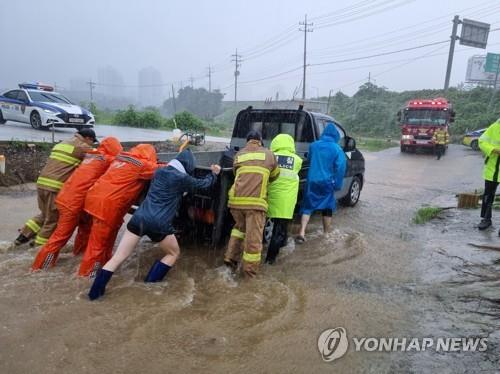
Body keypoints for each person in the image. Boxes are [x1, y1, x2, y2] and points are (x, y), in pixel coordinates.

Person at [88, 149, 221, 300]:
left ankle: (94, 295)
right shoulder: (182, 178)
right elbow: (202, 185)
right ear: (187, 167)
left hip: (138, 219)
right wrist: (214, 174)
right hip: (159, 224)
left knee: (118, 257)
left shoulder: (159, 172)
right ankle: (149, 287)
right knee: (173, 253)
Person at [31, 137, 123, 270]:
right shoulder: (105, 159)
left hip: (67, 198)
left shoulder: (92, 156)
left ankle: (78, 255)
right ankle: (40, 268)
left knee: (84, 229)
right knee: (60, 237)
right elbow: (124, 162)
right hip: (72, 203)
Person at [79, 143, 158, 277]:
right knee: (97, 246)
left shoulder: (121, 158)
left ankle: (102, 266)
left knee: (100, 240)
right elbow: (164, 170)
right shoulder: (141, 165)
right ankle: (87, 277)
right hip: (106, 206)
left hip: (93, 200)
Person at [15, 129, 96, 247]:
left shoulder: (63, 143)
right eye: (92, 142)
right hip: (54, 187)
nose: (91, 144)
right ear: (88, 138)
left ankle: (22, 237)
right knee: (53, 219)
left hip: (41, 183)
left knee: (44, 214)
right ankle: (37, 249)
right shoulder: (81, 146)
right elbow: (100, 155)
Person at [223, 130, 279, 277]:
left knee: (238, 230)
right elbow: (275, 175)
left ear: (247, 141)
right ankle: (249, 274)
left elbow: (237, 174)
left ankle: (230, 259)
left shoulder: (239, 154)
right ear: (260, 141)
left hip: (235, 202)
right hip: (255, 204)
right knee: (253, 239)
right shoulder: (269, 154)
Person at [296, 123, 346, 243]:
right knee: (327, 207)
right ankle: (326, 234)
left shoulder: (314, 145)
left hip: (312, 180)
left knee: (307, 206)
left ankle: (302, 233)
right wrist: (337, 184)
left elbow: (310, 159)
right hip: (327, 182)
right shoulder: (337, 149)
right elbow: (340, 167)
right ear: (335, 135)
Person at [265, 134, 302, 264]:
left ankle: (263, 250)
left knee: (265, 226)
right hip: (286, 201)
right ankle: (270, 260)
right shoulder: (297, 160)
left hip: (269, 197)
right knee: (279, 229)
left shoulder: (270, 157)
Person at [478, 119, 500, 231]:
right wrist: (493, 149)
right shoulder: (495, 127)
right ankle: (486, 219)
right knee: (488, 196)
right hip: (493, 169)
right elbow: (481, 141)